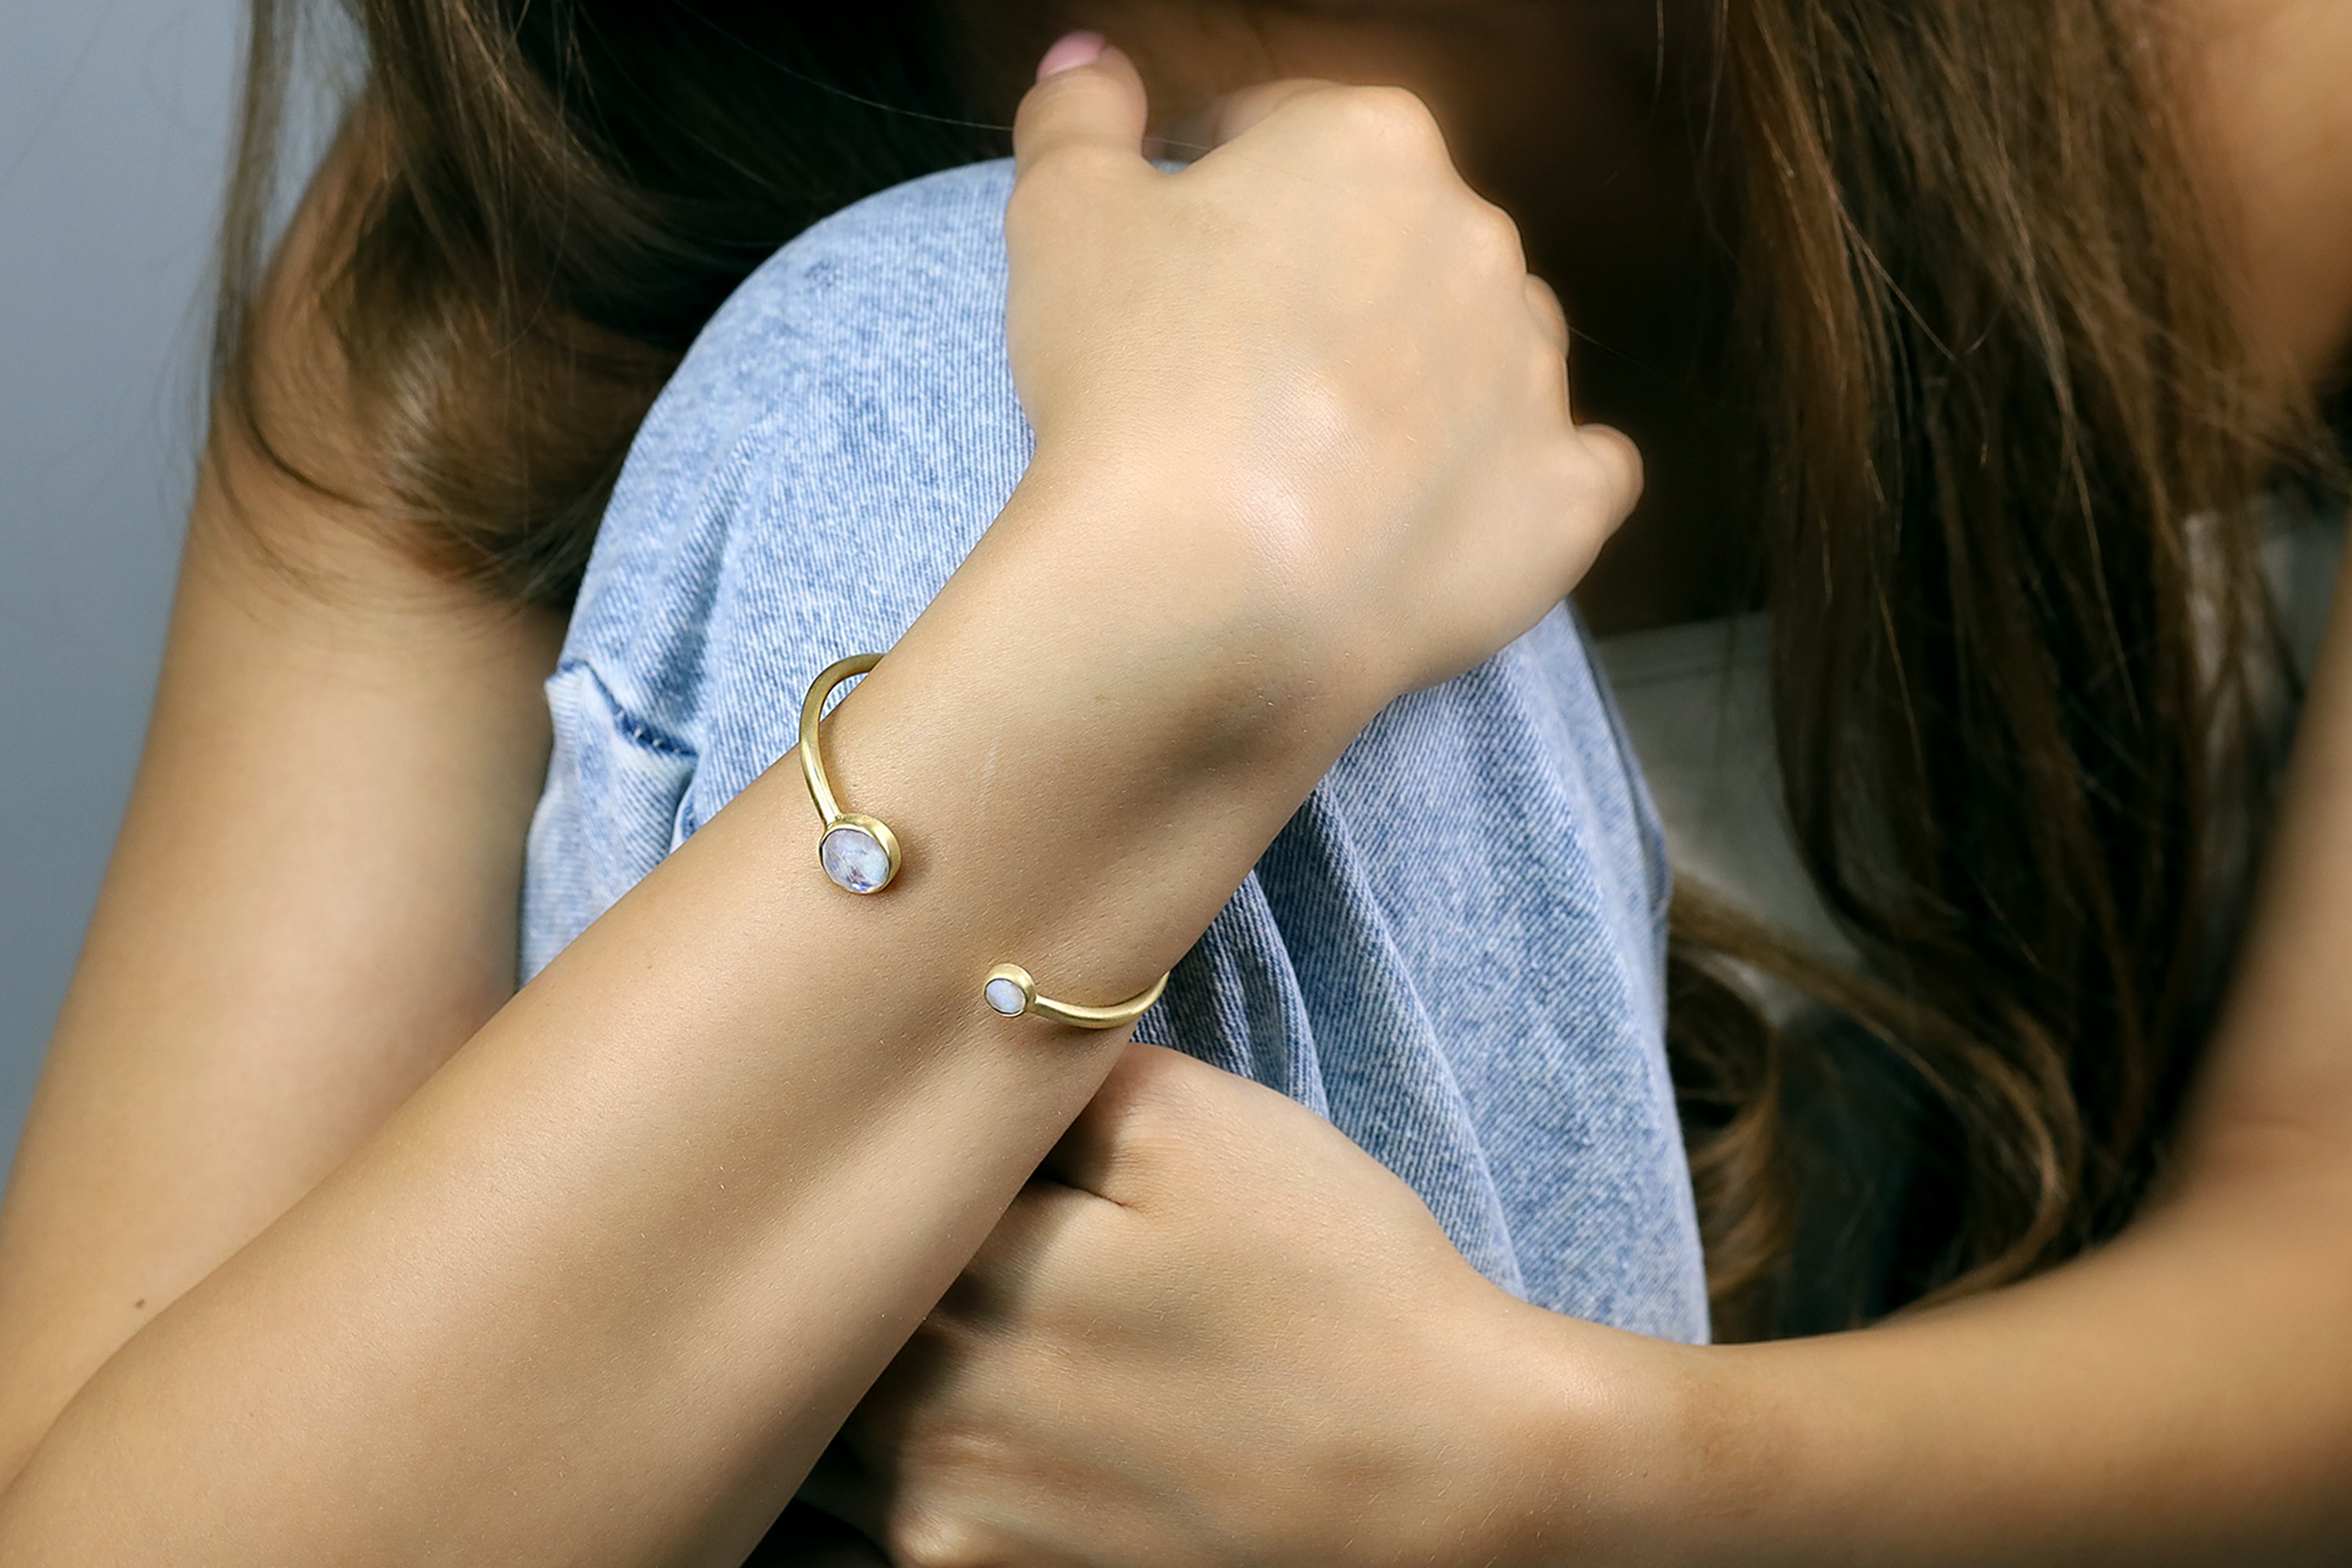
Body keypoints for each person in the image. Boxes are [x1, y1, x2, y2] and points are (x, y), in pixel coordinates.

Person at [0, 1, 2345, 1563]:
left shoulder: (2249, 79)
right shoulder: (620, 118)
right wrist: (1153, 618)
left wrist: (1561, 1483)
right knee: (924, 369)